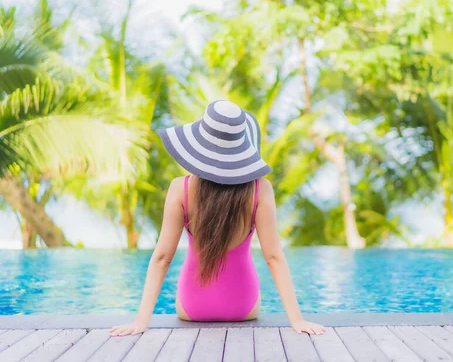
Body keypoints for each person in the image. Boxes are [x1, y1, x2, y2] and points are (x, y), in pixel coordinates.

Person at [110, 100, 325, 336]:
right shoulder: (260, 189)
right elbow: (274, 258)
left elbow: (162, 258)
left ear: (201, 142)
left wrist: (140, 322)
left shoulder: (180, 188)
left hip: (193, 308)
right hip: (243, 307)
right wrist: (297, 321)